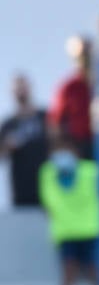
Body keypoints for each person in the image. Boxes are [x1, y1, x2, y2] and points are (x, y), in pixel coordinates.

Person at [38, 135, 99, 285]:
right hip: (65, 231)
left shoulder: (91, 171)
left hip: (90, 228)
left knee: (94, 269)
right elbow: (47, 202)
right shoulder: (48, 172)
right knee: (69, 271)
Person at [0, 74, 48, 208]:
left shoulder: (44, 117)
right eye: (17, 89)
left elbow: (58, 142)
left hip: (47, 187)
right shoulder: (8, 124)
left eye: (23, 87)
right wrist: (7, 146)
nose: (21, 91)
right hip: (21, 191)